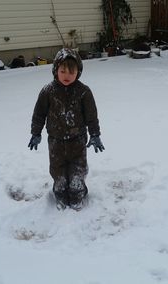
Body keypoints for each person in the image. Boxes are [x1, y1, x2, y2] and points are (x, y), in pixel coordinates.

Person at [28, 48, 105, 210]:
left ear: (79, 72)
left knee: (77, 177)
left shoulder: (84, 92)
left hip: (77, 141)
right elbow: (39, 114)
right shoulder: (48, 91)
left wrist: (95, 134)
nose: (67, 76)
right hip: (55, 142)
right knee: (59, 178)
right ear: (56, 70)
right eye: (63, 71)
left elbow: (91, 115)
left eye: (72, 72)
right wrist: (36, 132)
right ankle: (61, 195)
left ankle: (78, 194)